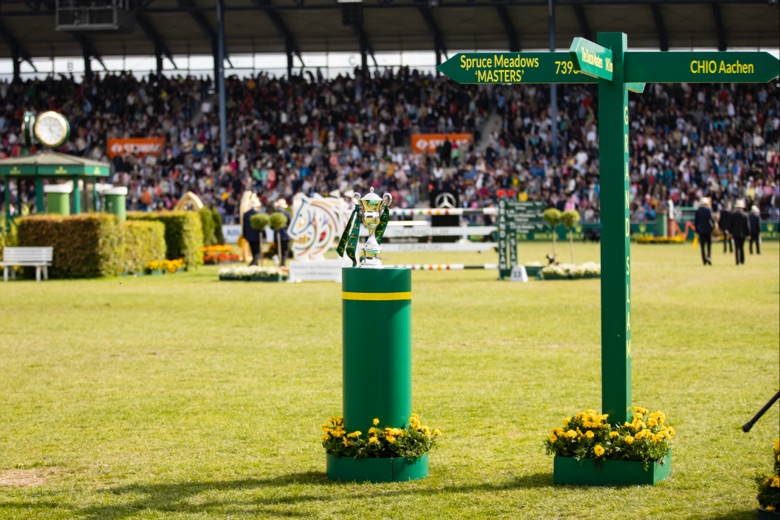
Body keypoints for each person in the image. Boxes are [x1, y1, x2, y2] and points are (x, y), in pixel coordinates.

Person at [693, 197, 715, 266]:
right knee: (709, 245)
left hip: (701, 230)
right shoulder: (708, 210)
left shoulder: (698, 211)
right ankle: (709, 257)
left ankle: (704, 260)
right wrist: (713, 228)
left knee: (702, 246)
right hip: (708, 230)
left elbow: (696, 222)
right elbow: (712, 220)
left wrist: (696, 231)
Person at [730, 199, 749, 265]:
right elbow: (747, 226)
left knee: (736, 247)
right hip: (743, 234)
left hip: (735, 233)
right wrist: (748, 234)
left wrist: (731, 232)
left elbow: (731, 225)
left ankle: (737, 261)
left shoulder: (733, 215)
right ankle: (742, 260)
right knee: (741, 247)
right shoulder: (745, 215)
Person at [243, 200, 262, 266]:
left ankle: (255, 264)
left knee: (253, 250)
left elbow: (244, 226)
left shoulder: (246, 214)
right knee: (257, 251)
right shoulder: (258, 214)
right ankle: (253, 263)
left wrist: (245, 235)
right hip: (257, 235)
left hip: (249, 235)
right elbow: (261, 226)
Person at [274, 199, 292, 267]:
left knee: (278, 250)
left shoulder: (275, 214)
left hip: (276, 235)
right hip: (285, 235)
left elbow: (271, 226)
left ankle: (280, 263)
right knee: (285, 251)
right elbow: (290, 224)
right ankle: (282, 263)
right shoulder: (287, 214)